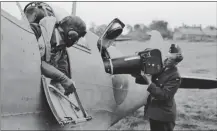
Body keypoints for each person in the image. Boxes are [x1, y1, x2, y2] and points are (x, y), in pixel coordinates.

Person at [25, 4, 87, 96]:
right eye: (77, 38)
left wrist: (65, 83)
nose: (76, 42)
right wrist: (62, 78)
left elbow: (62, 70)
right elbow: (33, 61)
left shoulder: (62, 50)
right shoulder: (35, 31)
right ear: (72, 34)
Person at [135, 44, 183, 131]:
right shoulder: (161, 67)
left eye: (171, 59)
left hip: (164, 116)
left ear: (176, 62)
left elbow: (164, 95)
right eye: (168, 57)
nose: (168, 60)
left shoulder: (175, 77)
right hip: (154, 112)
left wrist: (149, 81)